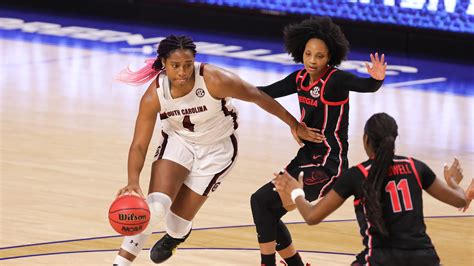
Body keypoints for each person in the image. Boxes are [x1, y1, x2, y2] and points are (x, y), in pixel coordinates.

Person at [112, 35, 324, 266]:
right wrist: (133, 181)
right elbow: (139, 144)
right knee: (154, 208)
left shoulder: (215, 79)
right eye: (175, 66)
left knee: (175, 223)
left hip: (217, 150)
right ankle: (120, 263)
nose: (183, 72)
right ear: (163, 63)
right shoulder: (155, 95)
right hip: (178, 142)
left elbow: (257, 96)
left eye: (187, 65)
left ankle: (177, 235)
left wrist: (294, 124)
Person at [250, 17, 387, 266]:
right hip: (306, 158)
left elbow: (366, 86)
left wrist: (376, 80)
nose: (313, 61)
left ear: (330, 57)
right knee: (266, 209)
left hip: (328, 165)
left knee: (260, 201)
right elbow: (263, 92)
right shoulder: (300, 78)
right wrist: (225, 88)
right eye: (308, 54)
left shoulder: (335, 81)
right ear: (299, 51)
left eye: (320, 56)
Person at [273, 112, 469, 266]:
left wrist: (296, 191)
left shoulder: (357, 175)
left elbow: (312, 216)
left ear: (366, 140)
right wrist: (452, 181)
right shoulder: (415, 167)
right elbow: (461, 200)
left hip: (380, 259)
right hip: (425, 259)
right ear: (394, 139)